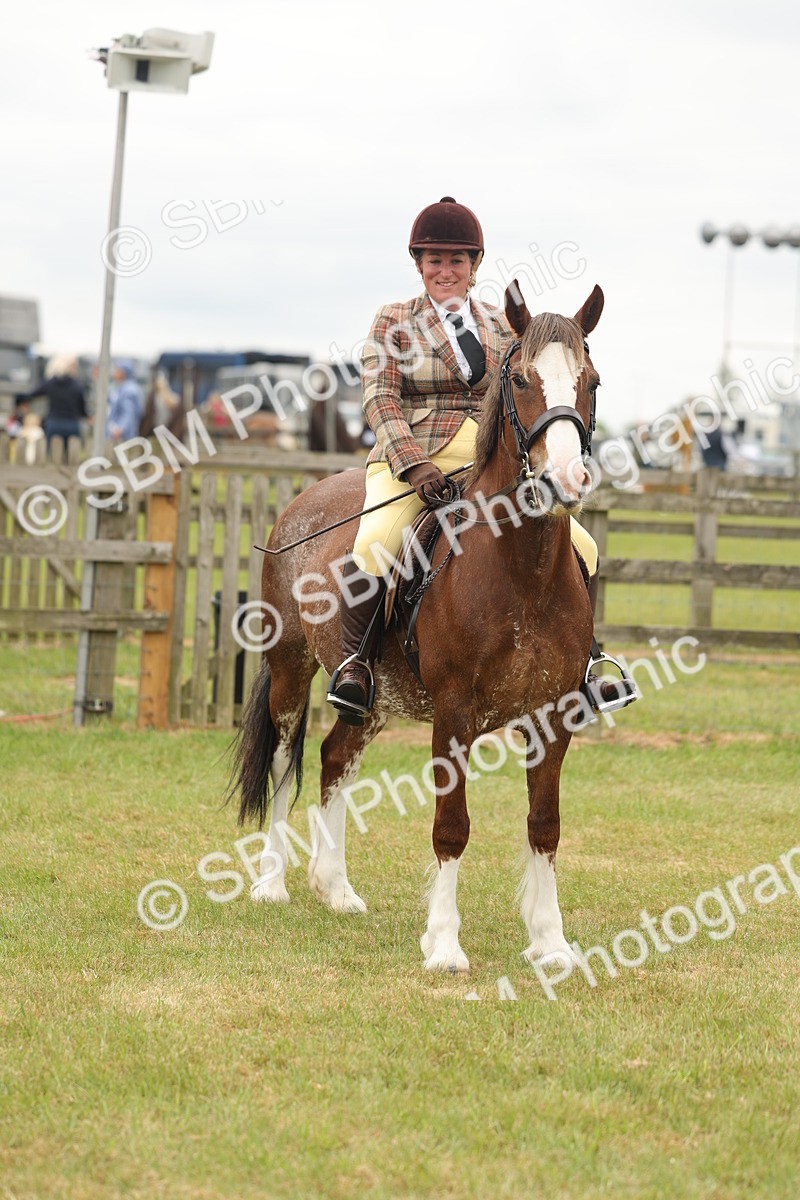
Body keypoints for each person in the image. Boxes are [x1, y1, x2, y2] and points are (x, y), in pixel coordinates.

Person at [327, 196, 636, 726]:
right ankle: (358, 667)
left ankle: (583, 663)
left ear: (475, 266)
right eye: (434, 260)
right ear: (419, 264)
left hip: (485, 456)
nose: (445, 270)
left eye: (456, 261)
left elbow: (522, 391)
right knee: (376, 541)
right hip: (414, 455)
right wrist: (412, 463)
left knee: (581, 545)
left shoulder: (501, 324)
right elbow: (380, 398)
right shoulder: (395, 321)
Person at [15, 355, 87, 453]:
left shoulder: (51, 383)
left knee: (52, 457)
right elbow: (82, 409)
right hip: (72, 425)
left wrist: (18, 400)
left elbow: (31, 395)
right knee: (71, 458)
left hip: (54, 424)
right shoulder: (77, 386)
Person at [106, 361, 143, 444]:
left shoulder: (129, 390)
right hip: (117, 435)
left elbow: (129, 412)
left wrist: (120, 429)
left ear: (123, 372)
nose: (114, 372)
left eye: (117, 369)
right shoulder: (121, 387)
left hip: (123, 437)